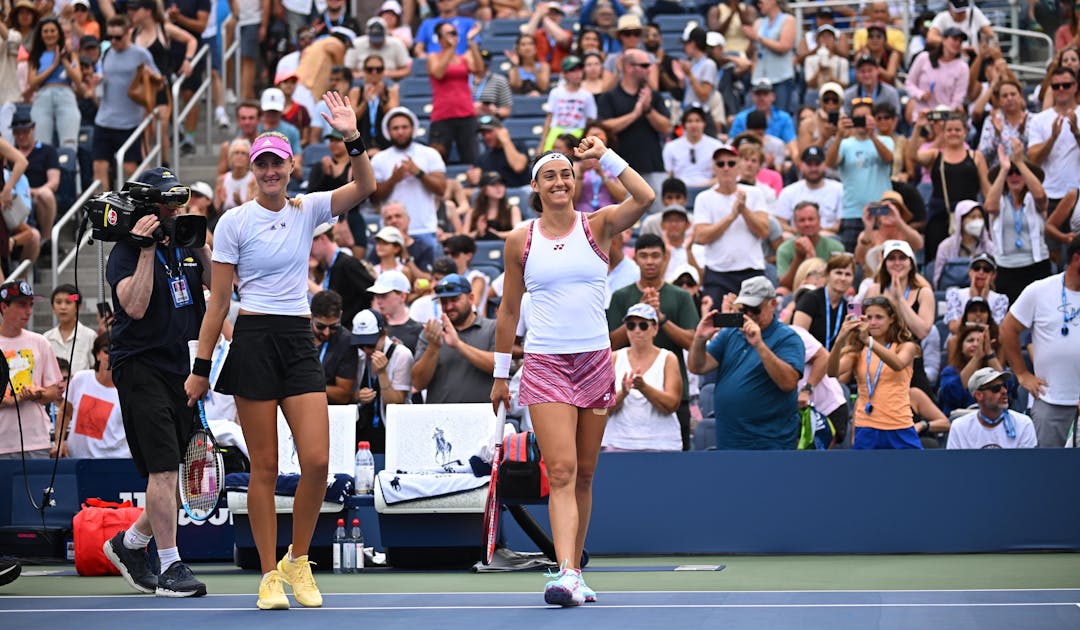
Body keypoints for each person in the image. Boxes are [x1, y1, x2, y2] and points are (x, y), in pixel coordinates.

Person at [184, 92, 376, 610]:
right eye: (262, 163)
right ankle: (269, 574)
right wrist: (201, 369)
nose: (270, 171)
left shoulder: (309, 207)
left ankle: (298, 559)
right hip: (251, 338)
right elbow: (218, 302)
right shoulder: (232, 222)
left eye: (277, 162)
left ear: (291, 166)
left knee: (316, 462)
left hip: (295, 337)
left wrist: (351, 135)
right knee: (265, 468)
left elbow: (366, 184)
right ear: (254, 169)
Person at [491, 136, 654, 605]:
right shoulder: (519, 240)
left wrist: (605, 156)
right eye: (550, 175)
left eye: (566, 174)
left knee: (583, 474)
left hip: (595, 361)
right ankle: (565, 573)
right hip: (545, 363)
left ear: (576, 181)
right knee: (560, 471)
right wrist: (502, 375)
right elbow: (507, 312)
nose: (560, 181)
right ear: (536, 187)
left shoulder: (598, 225)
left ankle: (576, 571)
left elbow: (644, 197)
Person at [102, 167, 211, 598]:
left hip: (179, 366)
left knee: (176, 472)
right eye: (168, 204)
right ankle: (170, 566)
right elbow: (135, 306)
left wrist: (204, 245)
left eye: (179, 203)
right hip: (139, 366)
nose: (175, 211)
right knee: (164, 468)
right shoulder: (126, 252)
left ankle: (130, 544)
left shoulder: (184, 246)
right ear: (148, 207)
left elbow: (219, 291)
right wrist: (147, 250)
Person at [688, 276, 804, 450]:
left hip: (769, 443)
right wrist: (699, 338)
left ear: (773, 305)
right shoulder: (730, 333)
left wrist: (759, 345)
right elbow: (698, 366)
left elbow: (788, 382)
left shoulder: (788, 338)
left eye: (754, 309)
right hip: (730, 440)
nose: (748, 315)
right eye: (744, 309)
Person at [607, 233, 700, 450]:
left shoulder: (680, 296)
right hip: (626, 395)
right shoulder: (621, 296)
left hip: (674, 392)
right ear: (635, 258)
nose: (650, 261)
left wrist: (659, 317)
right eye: (644, 256)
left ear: (664, 258)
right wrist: (638, 313)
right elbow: (610, 343)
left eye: (655, 256)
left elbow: (691, 342)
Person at [1000, 238, 1080, 448]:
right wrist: (1022, 374)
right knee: (1048, 473)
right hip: (1050, 400)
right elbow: (1008, 328)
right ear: (1076, 258)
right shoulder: (1040, 290)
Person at [827, 296, 922, 450]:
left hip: (899, 424)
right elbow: (832, 372)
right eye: (869, 317)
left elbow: (897, 364)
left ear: (891, 319)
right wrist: (840, 339)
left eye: (879, 317)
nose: (873, 322)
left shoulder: (905, 346)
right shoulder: (858, 350)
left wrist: (869, 342)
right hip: (867, 426)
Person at [693, 144, 770, 307]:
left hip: (751, 270)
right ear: (714, 168)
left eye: (731, 163)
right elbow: (701, 236)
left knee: (756, 322)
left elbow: (764, 231)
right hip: (718, 273)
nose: (726, 168)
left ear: (739, 166)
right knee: (717, 324)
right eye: (720, 164)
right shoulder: (704, 198)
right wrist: (731, 217)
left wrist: (744, 210)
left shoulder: (755, 193)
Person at [92, 15, 161, 189]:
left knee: (131, 167)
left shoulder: (141, 54)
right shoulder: (107, 52)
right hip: (104, 120)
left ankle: (157, 193)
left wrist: (150, 75)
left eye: (118, 37)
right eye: (110, 37)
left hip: (130, 122)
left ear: (128, 33)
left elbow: (159, 81)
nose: (113, 41)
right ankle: (103, 208)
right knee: (99, 166)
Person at [603, 303, 682, 452]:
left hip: (661, 443)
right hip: (619, 442)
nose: (637, 331)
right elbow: (604, 408)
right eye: (631, 325)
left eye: (643, 325)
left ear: (655, 328)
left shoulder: (668, 358)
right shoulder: (614, 358)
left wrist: (644, 387)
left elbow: (672, 404)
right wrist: (623, 392)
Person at [595, 48, 672, 199]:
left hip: (653, 167)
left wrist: (648, 109)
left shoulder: (653, 97)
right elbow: (605, 127)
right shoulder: (609, 97)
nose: (649, 69)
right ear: (629, 68)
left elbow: (666, 128)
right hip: (621, 170)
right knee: (627, 220)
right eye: (644, 65)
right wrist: (634, 114)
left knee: (659, 217)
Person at [914, 112, 990, 263]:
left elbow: (986, 190)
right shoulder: (935, 155)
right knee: (938, 259)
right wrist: (918, 128)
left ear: (965, 132)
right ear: (943, 133)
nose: (953, 133)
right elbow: (915, 155)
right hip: (941, 217)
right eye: (949, 130)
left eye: (957, 129)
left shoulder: (976, 156)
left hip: (970, 217)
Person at [370, 107, 447, 254]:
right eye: (395, 128)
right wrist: (394, 179)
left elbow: (441, 188)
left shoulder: (429, 154)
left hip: (424, 228)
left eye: (405, 127)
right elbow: (374, 197)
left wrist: (418, 173)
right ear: (388, 131)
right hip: (391, 233)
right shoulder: (379, 159)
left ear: (413, 128)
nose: (400, 132)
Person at [0, 281, 62, 460]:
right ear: (4, 306)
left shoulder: (40, 342)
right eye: (21, 305)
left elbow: (54, 389)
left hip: (35, 439)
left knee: (36, 488)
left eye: (31, 305)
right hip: (2, 441)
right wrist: (15, 399)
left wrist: (35, 394)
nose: (28, 311)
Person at [984, 143, 1052, 305]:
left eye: (1019, 173)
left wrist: (1020, 163)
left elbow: (1041, 197)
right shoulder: (999, 200)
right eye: (1011, 173)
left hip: (1036, 265)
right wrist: (1004, 169)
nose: (1014, 176)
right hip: (1006, 268)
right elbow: (989, 207)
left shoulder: (1033, 199)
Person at [414, 273, 497, 404]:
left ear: (471, 298)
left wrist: (458, 344)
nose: (449, 306)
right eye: (444, 302)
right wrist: (433, 348)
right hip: (440, 420)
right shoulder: (432, 334)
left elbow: (499, 366)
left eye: (454, 299)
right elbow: (418, 383)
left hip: (482, 418)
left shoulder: (492, 328)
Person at [826, 99, 895, 253]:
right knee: (851, 258)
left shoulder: (885, 140)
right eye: (858, 117)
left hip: (880, 210)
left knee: (882, 256)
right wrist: (838, 136)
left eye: (865, 117)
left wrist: (872, 135)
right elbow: (829, 163)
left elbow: (888, 158)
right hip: (852, 211)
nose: (862, 121)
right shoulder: (845, 144)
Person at [350, 308, 413, 453]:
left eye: (371, 344)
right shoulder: (358, 355)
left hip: (389, 434)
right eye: (361, 344)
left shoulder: (401, 355)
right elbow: (347, 395)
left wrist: (382, 373)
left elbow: (396, 404)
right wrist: (357, 396)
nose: (366, 349)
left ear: (383, 334)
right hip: (361, 431)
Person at [60, 332, 129, 459]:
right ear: (97, 355)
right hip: (78, 461)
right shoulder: (81, 379)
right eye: (107, 350)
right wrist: (59, 443)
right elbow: (65, 412)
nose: (111, 356)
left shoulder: (129, 389)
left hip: (117, 461)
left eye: (117, 351)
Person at [426, 20, 483, 165]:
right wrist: (450, 49)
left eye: (454, 33)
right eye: (449, 34)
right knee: (437, 159)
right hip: (442, 114)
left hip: (466, 114)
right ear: (439, 39)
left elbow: (479, 70)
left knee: (472, 159)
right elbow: (438, 73)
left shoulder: (464, 58)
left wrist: (472, 42)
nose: (453, 36)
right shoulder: (433, 57)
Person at [947, 367, 1038, 449]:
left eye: (1005, 386)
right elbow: (955, 465)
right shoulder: (959, 427)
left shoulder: (1024, 423)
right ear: (979, 395)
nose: (1004, 391)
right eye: (996, 388)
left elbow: (1027, 465)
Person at [308, 221, 374, 327]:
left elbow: (372, 292)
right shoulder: (331, 267)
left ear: (322, 238)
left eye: (310, 244)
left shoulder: (348, 264)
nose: (308, 251)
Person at [904, 28, 970, 125]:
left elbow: (958, 98)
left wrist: (944, 114)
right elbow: (909, 83)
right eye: (954, 39)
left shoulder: (962, 68)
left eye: (960, 41)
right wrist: (920, 94)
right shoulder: (924, 58)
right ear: (943, 40)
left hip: (944, 120)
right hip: (921, 117)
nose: (957, 43)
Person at [792, 252, 855, 351]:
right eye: (838, 273)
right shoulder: (810, 298)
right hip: (809, 359)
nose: (843, 278)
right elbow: (798, 338)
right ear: (827, 274)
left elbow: (852, 344)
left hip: (837, 362)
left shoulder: (853, 307)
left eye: (848, 274)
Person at [775, 202, 844, 291]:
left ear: (819, 221)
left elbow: (841, 279)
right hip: (796, 293)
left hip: (828, 292)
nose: (807, 224)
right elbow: (784, 284)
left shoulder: (836, 247)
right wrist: (799, 258)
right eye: (802, 220)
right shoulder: (784, 249)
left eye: (811, 219)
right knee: (781, 291)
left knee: (850, 292)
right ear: (795, 224)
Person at [774, 146, 843, 234]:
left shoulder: (839, 189)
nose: (813, 169)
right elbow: (780, 222)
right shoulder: (789, 191)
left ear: (825, 165)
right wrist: (800, 232)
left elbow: (839, 224)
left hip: (827, 237)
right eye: (809, 164)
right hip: (797, 237)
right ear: (801, 166)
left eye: (817, 164)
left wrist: (816, 233)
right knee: (785, 235)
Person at [938, 323, 1002, 417]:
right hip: (959, 420)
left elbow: (1007, 387)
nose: (976, 344)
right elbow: (952, 394)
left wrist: (989, 352)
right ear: (961, 348)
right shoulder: (950, 371)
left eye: (980, 341)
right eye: (970, 340)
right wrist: (977, 357)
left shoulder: (992, 369)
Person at [933, 199, 994, 289]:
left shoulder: (989, 246)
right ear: (961, 221)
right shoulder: (945, 246)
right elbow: (937, 279)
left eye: (980, 217)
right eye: (972, 217)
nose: (977, 221)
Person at [943, 254, 1010, 335]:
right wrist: (973, 301)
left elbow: (995, 332)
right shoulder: (954, 294)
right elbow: (954, 329)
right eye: (976, 268)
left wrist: (983, 302)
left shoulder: (1001, 299)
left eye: (986, 269)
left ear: (993, 275)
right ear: (970, 272)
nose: (981, 272)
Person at [310, 290, 356, 405]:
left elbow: (343, 395)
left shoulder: (346, 341)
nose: (326, 332)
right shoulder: (296, 335)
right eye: (320, 326)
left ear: (340, 315)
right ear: (310, 316)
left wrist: (305, 386)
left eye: (333, 327)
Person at [662, 107, 724, 188]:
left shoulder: (716, 146)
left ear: (704, 123)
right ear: (684, 125)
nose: (694, 125)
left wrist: (703, 187)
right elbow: (668, 175)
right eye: (689, 121)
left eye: (698, 121)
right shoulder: (670, 147)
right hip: (680, 191)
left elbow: (721, 175)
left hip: (709, 188)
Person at [43, 284, 95, 374]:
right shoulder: (46, 338)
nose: (63, 307)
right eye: (58, 302)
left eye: (68, 302)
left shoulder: (90, 336)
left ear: (78, 307)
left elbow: (95, 369)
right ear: (53, 307)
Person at [368, 269, 423, 353]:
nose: (378, 300)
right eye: (376, 295)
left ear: (402, 296)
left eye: (383, 295)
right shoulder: (372, 326)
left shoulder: (418, 330)